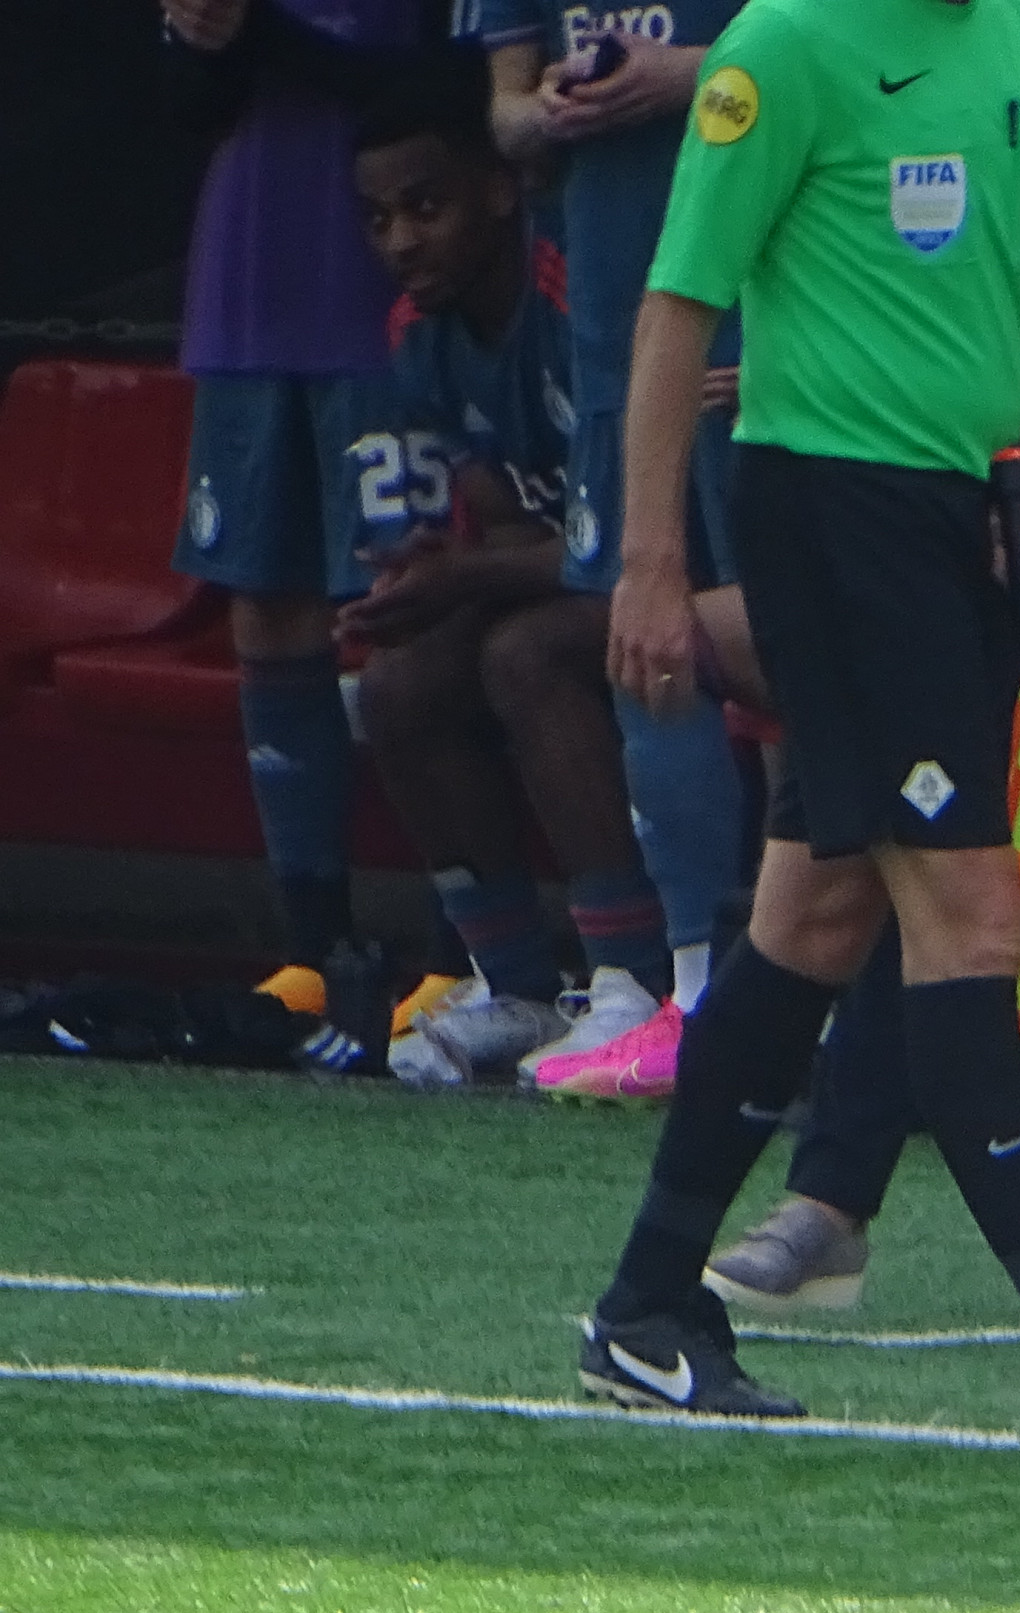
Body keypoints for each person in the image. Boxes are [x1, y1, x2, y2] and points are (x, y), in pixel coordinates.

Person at [577, 0, 1020, 1439]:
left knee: (814, 919)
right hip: (836, 518)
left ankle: (644, 1307)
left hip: (969, 525)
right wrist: (650, 560)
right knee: (972, 922)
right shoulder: (785, 47)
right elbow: (677, 308)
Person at [340, 73, 676, 1091]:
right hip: (581, 570)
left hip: (684, 564)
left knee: (525, 654)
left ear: (497, 191)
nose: (401, 242)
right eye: (379, 219)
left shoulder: (574, 288)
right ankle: (516, 983)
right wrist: (435, 577)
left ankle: (631, 978)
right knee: (396, 686)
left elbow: (619, 539)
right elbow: (509, 522)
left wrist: (463, 579)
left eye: (425, 207)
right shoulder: (418, 331)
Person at [475, 0, 769, 1100]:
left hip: (760, 313)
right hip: (616, 315)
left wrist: (683, 73)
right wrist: (547, 110)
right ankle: (686, 989)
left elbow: (862, 55)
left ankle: (805, 990)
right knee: (646, 643)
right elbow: (502, 112)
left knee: (783, 642)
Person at [157, 0, 434, 1073]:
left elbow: (427, 86)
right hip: (246, 282)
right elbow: (184, 110)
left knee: (413, 604)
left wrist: (258, 31)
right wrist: (207, 43)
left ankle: (464, 945)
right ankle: (313, 944)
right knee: (267, 607)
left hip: (383, 292)